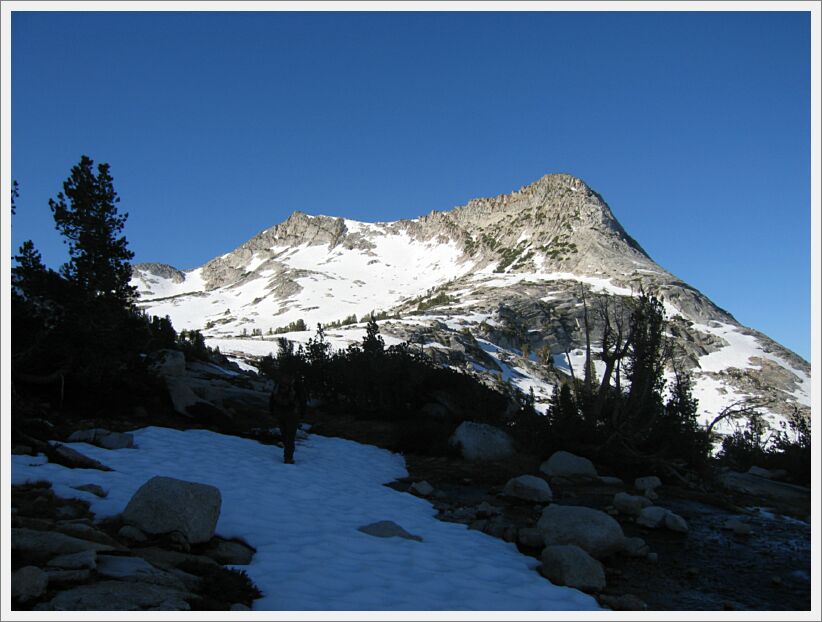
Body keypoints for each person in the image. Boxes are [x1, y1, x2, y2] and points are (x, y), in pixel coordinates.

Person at [269, 371, 306, 464]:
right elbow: (302, 400)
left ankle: (287, 454)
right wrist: (302, 414)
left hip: (280, 413)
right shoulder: (297, 385)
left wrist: (272, 411)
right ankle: (288, 458)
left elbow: (272, 398)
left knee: (285, 435)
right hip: (292, 414)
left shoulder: (279, 383)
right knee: (290, 436)